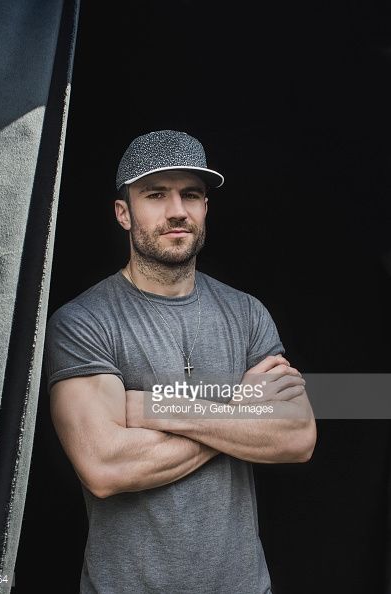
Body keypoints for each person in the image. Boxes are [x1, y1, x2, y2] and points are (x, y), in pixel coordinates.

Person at [44, 130, 317, 594]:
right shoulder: (83, 322)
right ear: (123, 213)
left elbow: (297, 437)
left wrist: (150, 407)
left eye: (191, 195)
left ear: (205, 208)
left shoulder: (247, 314)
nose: (177, 210)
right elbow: (105, 467)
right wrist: (241, 403)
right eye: (155, 195)